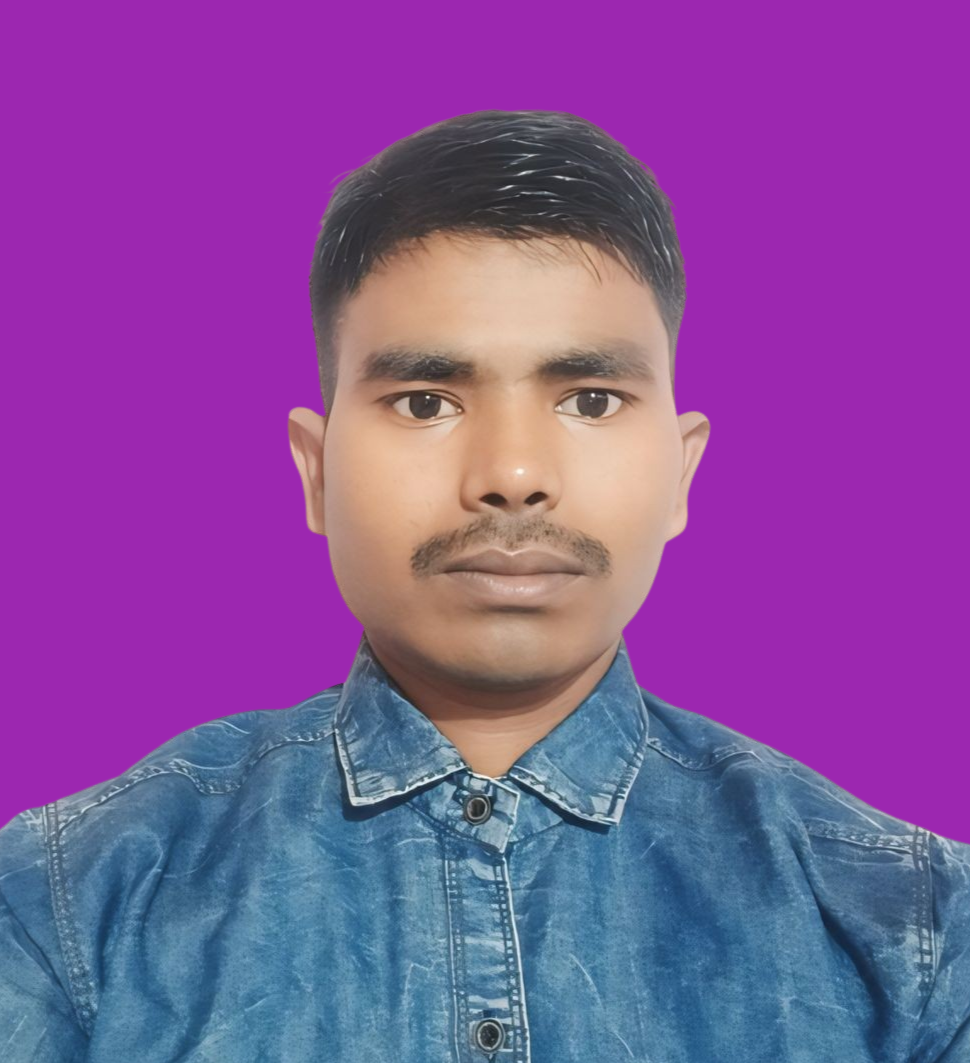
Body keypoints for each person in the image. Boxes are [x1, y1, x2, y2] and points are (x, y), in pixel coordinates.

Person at [0, 110, 966, 1061]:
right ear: (317, 473)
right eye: (426, 401)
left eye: (591, 399)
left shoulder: (918, 936)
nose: (512, 473)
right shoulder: (63, 905)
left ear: (682, 472)